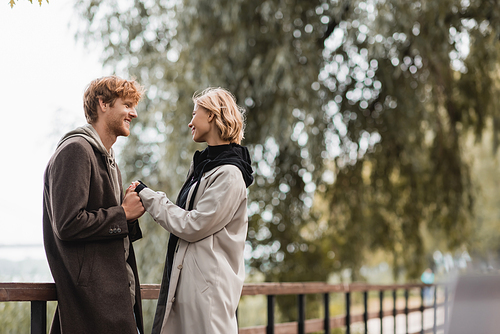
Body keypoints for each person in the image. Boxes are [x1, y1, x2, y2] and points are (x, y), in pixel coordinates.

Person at [132, 87, 254, 334]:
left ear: (211, 115)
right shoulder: (206, 167)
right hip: (191, 290)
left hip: (208, 296)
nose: (190, 122)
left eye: (194, 112)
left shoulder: (229, 174)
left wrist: (150, 198)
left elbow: (193, 226)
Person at [43, 76, 146, 334]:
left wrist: (128, 215)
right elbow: (67, 224)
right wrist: (122, 214)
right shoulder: (75, 150)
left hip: (117, 300)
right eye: (127, 104)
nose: (133, 113)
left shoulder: (109, 160)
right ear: (103, 104)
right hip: (94, 307)